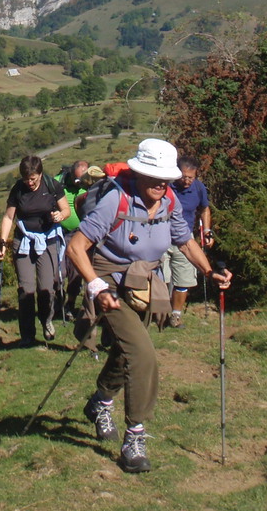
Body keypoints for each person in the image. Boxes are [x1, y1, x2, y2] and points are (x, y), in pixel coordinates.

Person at [66, 138, 232, 473]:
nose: (161, 184)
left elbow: (185, 240)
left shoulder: (169, 200)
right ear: (139, 173)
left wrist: (209, 272)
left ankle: (100, 402)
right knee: (143, 354)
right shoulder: (115, 199)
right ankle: (135, 437)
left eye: (165, 178)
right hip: (110, 283)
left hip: (143, 283)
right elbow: (76, 247)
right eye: (154, 177)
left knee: (125, 351)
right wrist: (97, 288)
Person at [0, 155, 70, 347]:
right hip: (23, 241)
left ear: (40, 174)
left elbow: (66, 210)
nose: (29, 183)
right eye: (26, 179)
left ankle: (46, 320)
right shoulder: (18, 189)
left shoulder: (52, 186)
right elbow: (8, 217)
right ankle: (27, 335)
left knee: (46, 288)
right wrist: (2, 242)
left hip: (48, 239)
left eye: (33, 179)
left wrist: (60, 216)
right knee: (25, 290)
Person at [161, 153, 213, 328]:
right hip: (162, 236)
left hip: (185, 238)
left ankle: (175, 315)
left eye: (191, 177)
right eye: (184, 177)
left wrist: (207, 231)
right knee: (162, 278)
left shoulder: (198, 188)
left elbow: (205, 209)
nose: (187, 181)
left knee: (183, 279)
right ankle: (159, 313)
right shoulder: (166, 186)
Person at [53, 160, 96, 320]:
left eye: (83, 180)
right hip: (59, 232)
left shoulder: (91, 183)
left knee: (76, 272)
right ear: (70, 174)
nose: (80, 183)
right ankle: (57, 303)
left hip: (81, 233)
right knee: (58, 271)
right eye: (77, 180)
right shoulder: (57, 182)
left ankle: (70, 305)